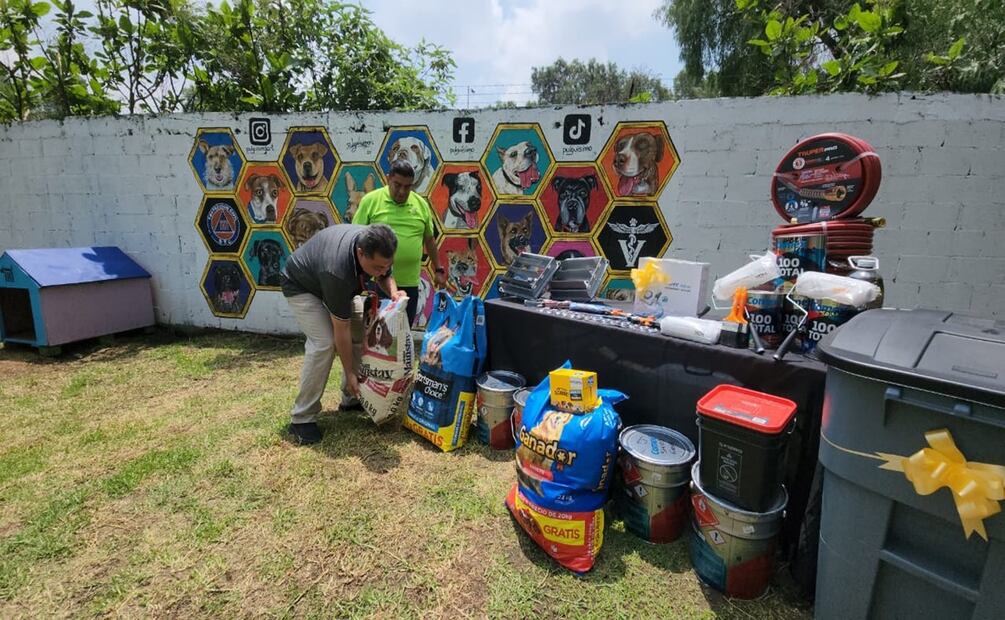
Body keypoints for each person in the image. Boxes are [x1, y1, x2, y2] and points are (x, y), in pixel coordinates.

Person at [280, 223, 404, 445]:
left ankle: (351, 399)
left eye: (387, 266)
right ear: (360, 253)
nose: (383, 271)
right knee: (324, 344)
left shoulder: (378, 245)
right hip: (302, 286)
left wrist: (394, 292)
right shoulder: (338, 270)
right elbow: (341, 331)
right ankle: (301, 419)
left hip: (328, 280)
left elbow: (384, 275)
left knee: (361, 334)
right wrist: (349, 372)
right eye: (377, 267)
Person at [352, 160, 447, 325]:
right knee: (375, 336)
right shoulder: (371, 201)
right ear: (388, 179)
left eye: (408, 186)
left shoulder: (421, 205)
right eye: (397, 185)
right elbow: (355, 237)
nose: (402, 191)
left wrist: (438, 268)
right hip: (376, 282)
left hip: (409, 284)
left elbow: (429, 240)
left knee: (403, 334)